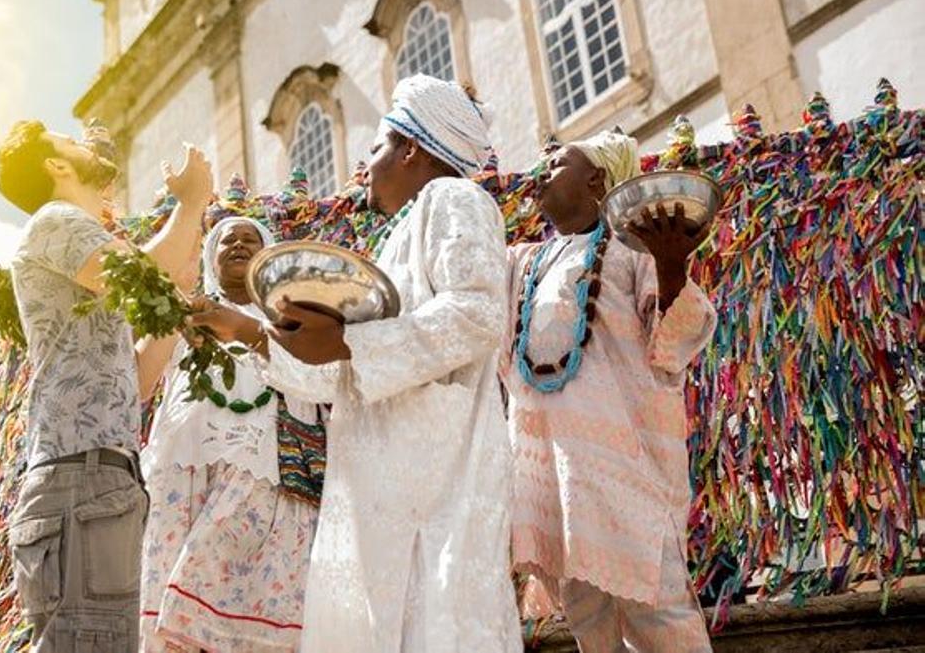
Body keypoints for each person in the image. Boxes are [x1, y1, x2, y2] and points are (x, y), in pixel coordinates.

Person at [200, 74, 522, 652]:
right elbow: (335, 376)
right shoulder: (396, 240)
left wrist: (350, 344)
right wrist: (247, 329)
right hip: (377, 488)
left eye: (375, 148)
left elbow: (476, 314)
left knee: (438, 628)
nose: (365, 165)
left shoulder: (455, 199)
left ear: (411, 149)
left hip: (437, 478)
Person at [0, 119, 213, 652]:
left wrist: (178, 294)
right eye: (69, 142)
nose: (83, 144)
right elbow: (137, 273)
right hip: (80, 478)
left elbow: (133, 384)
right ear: (56, 165)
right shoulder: (54, 221)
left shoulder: (74, 237)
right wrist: (191, 204)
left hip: (100, 481)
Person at [499, 130, 716, 652]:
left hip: (624, 471)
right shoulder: (522, 262)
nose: (542, 170)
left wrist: (669, 267)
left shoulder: (630, 250)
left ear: (596, 179)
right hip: (554, 481)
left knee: (662, 620)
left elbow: (678, 341)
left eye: (558, 162)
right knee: (590, 628)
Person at [138, 216, 322, 652]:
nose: (238, 245)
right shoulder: (185, 313)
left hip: (270, 468)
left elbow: (319, 377)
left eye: (249, 240)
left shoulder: (292, 317)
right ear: (209, 257)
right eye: (227, 241)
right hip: (185, 463)